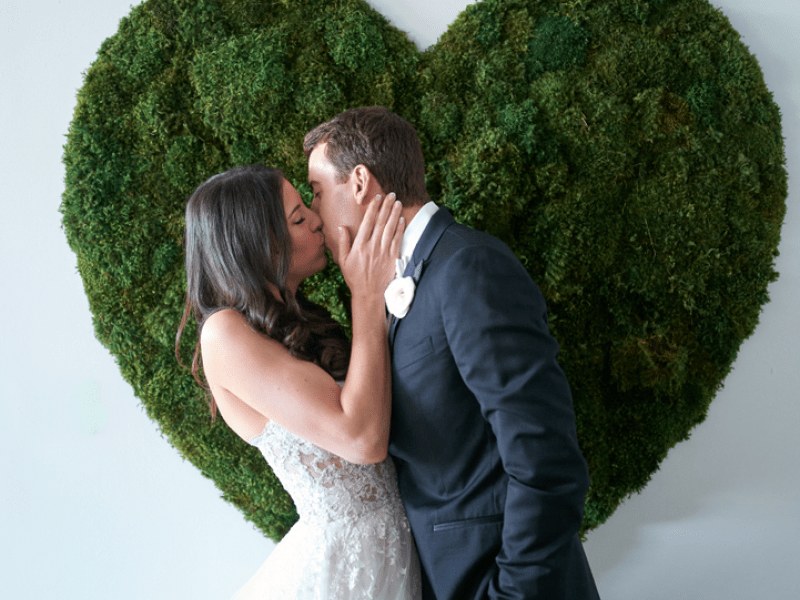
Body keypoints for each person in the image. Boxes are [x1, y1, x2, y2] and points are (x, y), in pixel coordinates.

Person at [304, 106, 600, 600]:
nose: (315, 215)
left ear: (359, 183)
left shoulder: (468, 266)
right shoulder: (397, 282)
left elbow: (544, 454)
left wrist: (515, 592)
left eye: (316, 192)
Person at [176, 164, 422, 599]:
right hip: (341, 572)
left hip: (392, 552)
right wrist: (365, 296)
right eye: (297, 217)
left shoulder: (299, 318)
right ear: (258, 244)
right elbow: (361, 438)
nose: (316, 218)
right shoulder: (224, 334)